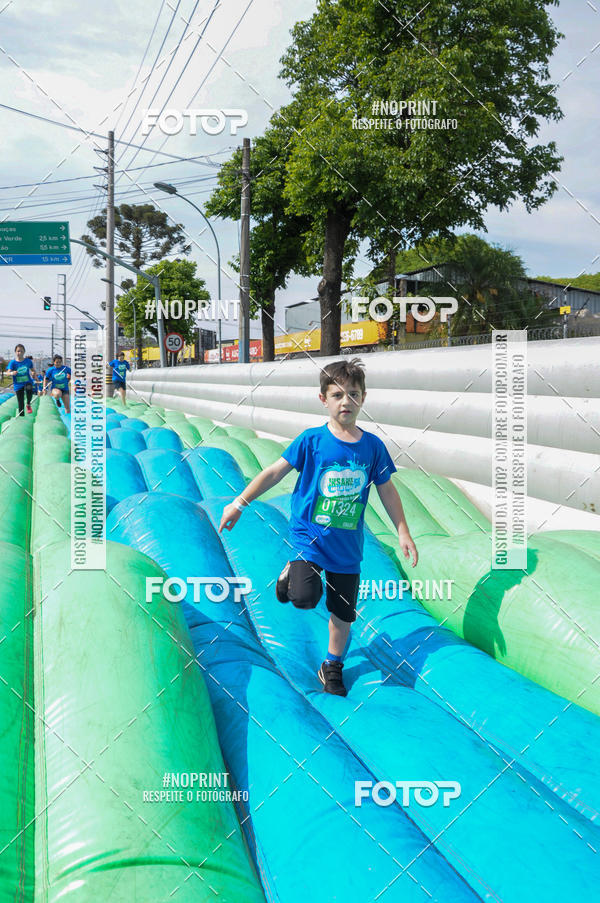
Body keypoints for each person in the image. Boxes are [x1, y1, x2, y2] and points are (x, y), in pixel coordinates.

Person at [219, 357, 418, 697]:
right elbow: (274, 472)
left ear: (363, 398)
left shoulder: (372, 447)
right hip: (308, 539)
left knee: (343, 614)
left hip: (347, 547)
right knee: (305, 597)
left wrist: (402, 530)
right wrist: (239, 503)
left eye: (353, 394)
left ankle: (332, 665)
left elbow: (387, 489)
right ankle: (290, 574)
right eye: (338, 395)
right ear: (323, 399)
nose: (346, 402)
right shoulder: (311, 441)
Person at [7, 344, 35, 415]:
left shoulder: (28, 361)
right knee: (20, 402)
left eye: (21, 351)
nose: (19, 353)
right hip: (18, 384)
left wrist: (33, 373)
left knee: (29, 390)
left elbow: (33, 370)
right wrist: (12, 373)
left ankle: (28, 404)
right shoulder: (12, 362)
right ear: (15, 352)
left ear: (24, 352)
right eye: (18, 351)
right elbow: (8, 372)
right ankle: (21, 416)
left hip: (27, 382)